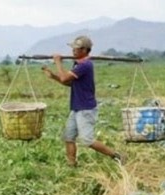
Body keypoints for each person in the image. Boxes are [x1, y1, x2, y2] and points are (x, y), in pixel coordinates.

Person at [42, 35, 124, 167]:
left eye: (77, 49)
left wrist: (58, 61)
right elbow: (69, 83)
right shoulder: (78, 64)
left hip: (85, 108)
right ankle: (71, 164)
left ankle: (116, 156)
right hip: (76, 107)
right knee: (68, 137)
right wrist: (53, 76)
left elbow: (64, 79)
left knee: (87, 140)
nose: (73, 51)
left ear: (85, 50)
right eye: (73, 48)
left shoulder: (85, 65)